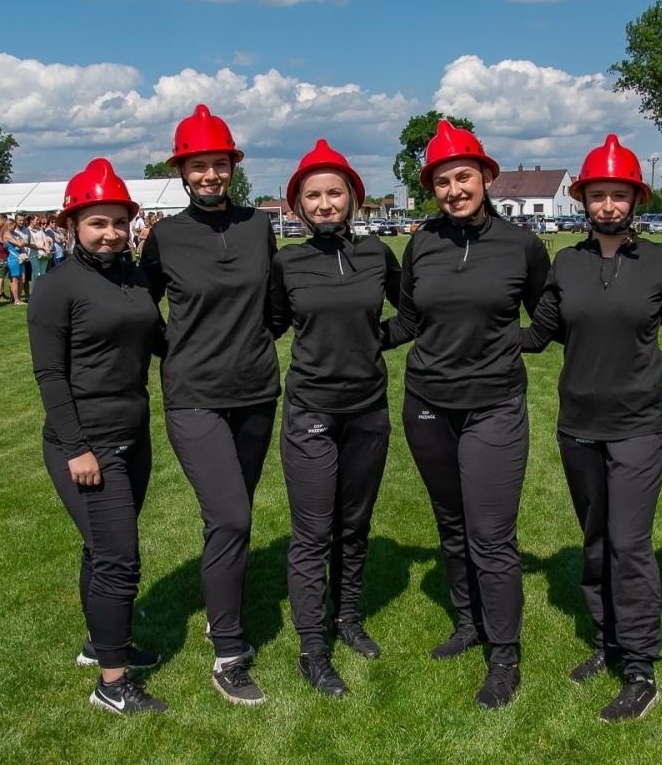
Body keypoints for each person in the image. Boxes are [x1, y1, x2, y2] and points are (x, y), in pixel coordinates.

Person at [520, 136, 662, 723]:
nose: (609, 205)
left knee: (629, 542)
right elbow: (538, 334)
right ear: (584, 199)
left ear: (635, 199)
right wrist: (462, 330)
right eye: (599, 195)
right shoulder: (567, 262)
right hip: (578, 425)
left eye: (619, 195)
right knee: (595, 540)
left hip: (638, 424)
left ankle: (641, 667)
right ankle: (607, 640)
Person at [382, 120, 550, 710]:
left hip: (494, 406)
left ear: (485, 177)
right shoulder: (421, 244)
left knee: (491, 534)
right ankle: (467, 623)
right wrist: (351, 339)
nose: (454, 189)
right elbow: (407, 322)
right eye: (443, 181)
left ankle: (504, 656)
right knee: (450, 523)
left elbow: (547, 311)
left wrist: (521, 343)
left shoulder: (522, 245)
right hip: (426, 402)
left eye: (464, 177)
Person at [140, 104, 279, 706]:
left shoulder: (257, 226)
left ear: (232, 167)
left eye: (218, 164)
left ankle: (218, 604)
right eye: (198, 166)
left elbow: (276, 303)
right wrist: (182, 352)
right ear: (183, 171)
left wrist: (250, 343)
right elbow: (141, 312)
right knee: (232, 519)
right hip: (193, 397)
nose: (209, 176)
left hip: (255, 392)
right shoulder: (165, 236)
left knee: (230, 515)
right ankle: (228, 652)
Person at [31, 161, 169, 713]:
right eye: (97, 223)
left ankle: (100, 642)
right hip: (88, 443)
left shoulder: (133, 278)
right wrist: (77, 448)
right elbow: (50, 375)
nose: (110, 232)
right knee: (119, 558)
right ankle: (112, 685)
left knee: (102, 548)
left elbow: (159, 340)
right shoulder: (56, 286)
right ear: (74, 225)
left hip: (134, 435)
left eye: (118, 222)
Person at [269, 140, 401, 698]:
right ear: (298, 205)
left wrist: (376, 342)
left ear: (352, 199)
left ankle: (346, 617)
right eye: (313, 195)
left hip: (368, 410)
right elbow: (267, 325)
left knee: (354, 524)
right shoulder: (286, 262)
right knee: (313, 532)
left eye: (334, 193)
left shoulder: (377, 255)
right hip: (311, 412)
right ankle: (312, 647)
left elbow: (413, 312)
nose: (325, 204)